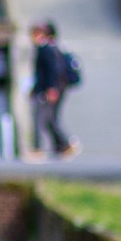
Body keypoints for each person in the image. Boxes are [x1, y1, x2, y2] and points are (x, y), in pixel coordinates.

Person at [28, 20, 81, 160]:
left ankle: (38, 149)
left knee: (40, 118)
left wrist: (51, 89)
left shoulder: (46, 49)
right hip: (54, 89)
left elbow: (51, 71)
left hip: (51, 90)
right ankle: (62, 146)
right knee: (49, 119)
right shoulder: (53, 48)